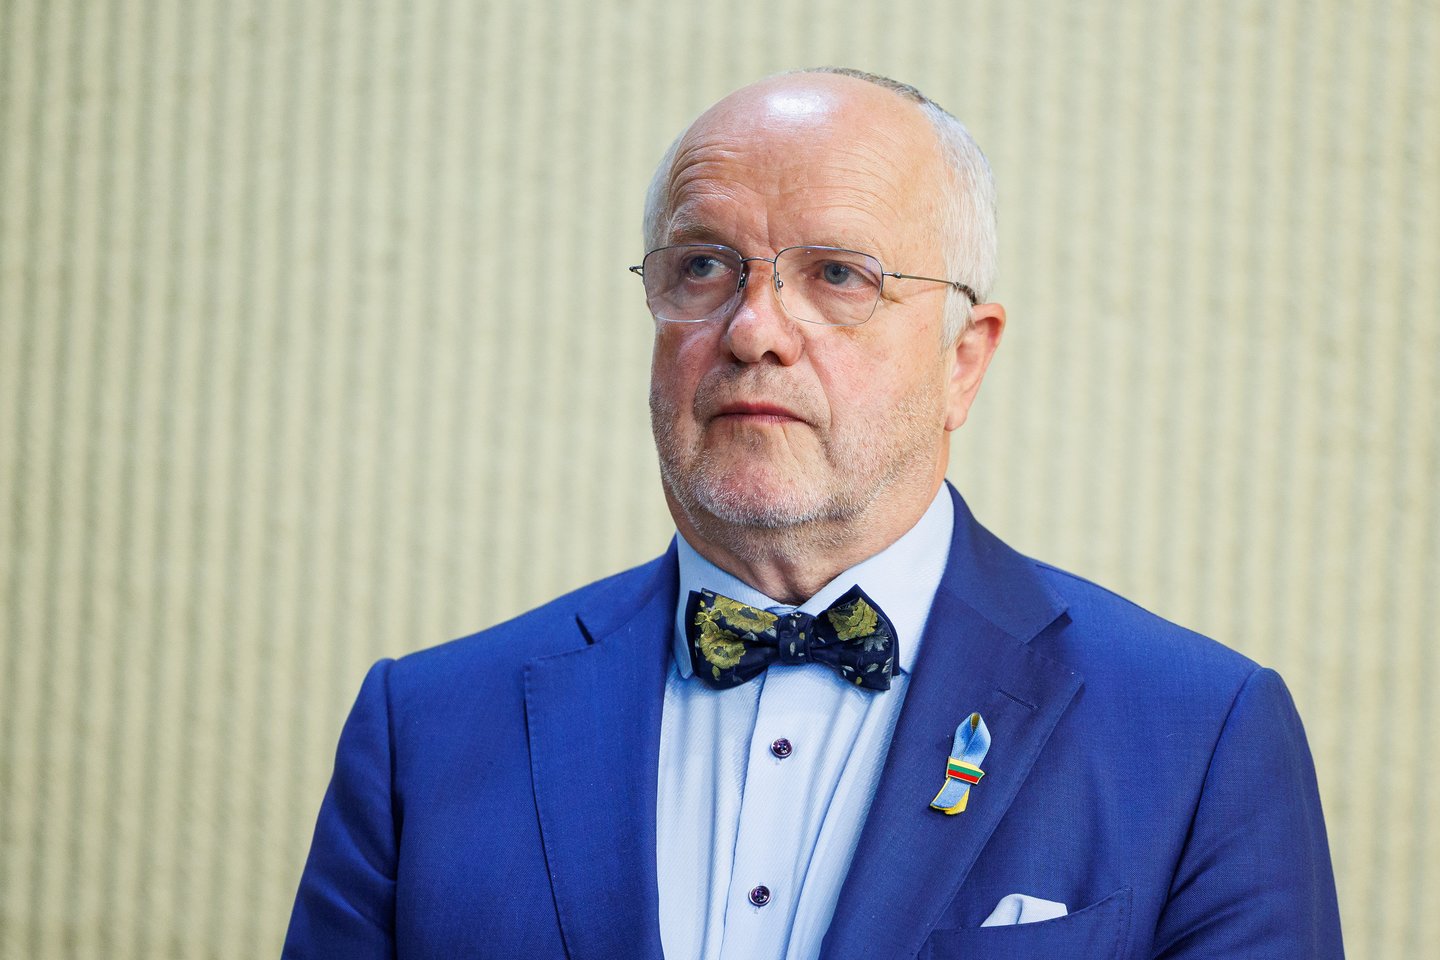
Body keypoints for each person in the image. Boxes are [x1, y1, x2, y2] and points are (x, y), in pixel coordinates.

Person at [283, 68, 1343, 959]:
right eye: (704, 267)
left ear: (964, 361)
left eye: (838, 274)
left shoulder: (1199, 737)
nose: (754, 330)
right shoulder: (423, 731)